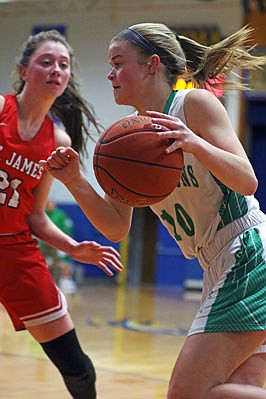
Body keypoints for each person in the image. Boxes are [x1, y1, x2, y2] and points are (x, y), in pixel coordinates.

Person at [41, 23, 266, 398]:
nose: (110, 74)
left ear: (152, 65)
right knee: (233, 390)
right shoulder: (126, 139)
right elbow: (115, 227)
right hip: (217, 265)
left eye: (117, 63)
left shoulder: (193, 105)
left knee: (186, 393)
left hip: (246, 253)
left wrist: (194, 143)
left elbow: (248, 181)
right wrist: (75, 180)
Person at [0, 29, 124, 399]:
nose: (56, 69)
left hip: (15, 251)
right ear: (24, 71)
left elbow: (36, 217)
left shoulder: (57, 140)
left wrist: (73, 248)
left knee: (79, 369)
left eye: (63, 64)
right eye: (46, 62)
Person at [39, 199, 76, 291]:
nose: (50, 206)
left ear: (55, 205)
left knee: (59, 264)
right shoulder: (43, 214)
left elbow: (66, 229)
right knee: (42, 264)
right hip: (44, 243)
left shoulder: (61, 215)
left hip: (56, 244)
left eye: (51, 204)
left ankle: (57, 285)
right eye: (48, 204)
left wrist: (64, 242)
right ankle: (42, 284)